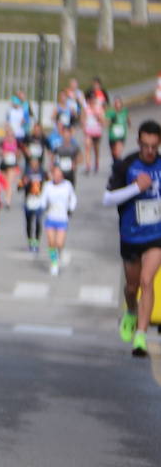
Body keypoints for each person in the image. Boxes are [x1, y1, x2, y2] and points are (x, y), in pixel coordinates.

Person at [104, 120, 161, 356]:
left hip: (156, 235)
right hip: (130, 235)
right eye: (145, 145)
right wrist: (135, 188)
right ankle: (130, 311)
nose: (149, 151)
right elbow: (107, 199)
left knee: (148, 281)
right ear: (138, 142)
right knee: (132, 286)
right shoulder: (125, 166)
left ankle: (140, 336)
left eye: (154, 146)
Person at [40, 162, 77, 277]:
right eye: (54, 174)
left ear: (62, 176)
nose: (56, 177)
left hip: (62, 219)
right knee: (51, 243)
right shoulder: (48, 185)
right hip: (51, 217)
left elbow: (73, 199)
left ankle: (59, 253)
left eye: (58, 175)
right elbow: (43, 198)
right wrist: (42, 207)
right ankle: (54, 263)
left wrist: (70, 209)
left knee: (59, 243)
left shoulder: (67, 185)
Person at [20, 155, 47, 254]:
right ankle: (30, 240)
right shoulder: (26, 173)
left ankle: (36, 241)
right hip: (29, 200)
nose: (34, 165)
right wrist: (23, 183)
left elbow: (49, 184)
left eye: (36, 164)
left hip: (39, 200)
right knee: (29, 222)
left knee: (38, 221)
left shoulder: (43, 173)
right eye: (32, 164)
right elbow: (19, 187)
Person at [0, 131, 21, 208]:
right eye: (8, 136)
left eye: (11, 136)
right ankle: (2, 198)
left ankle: (8, 200)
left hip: (12, 165)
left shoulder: (16, 143)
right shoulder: (3, 142)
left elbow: (19, 154)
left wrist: (16, 154)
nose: (10, 138)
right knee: (3, 183)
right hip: (4, 165)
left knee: (9, 183)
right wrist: (2, 153)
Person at [106, 95, 130, 163]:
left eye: (118, 103)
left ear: (121, 103)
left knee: (117, 152)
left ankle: (119, 165)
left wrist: (129, 123)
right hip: (112, 135)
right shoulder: (110, 112)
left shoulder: (125, 110)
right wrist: (111, 120)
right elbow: (106, 123)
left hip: (121, 135)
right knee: (114, 153)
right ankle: (116, 164)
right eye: (116, 103)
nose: (117, 105)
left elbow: (127, 118)